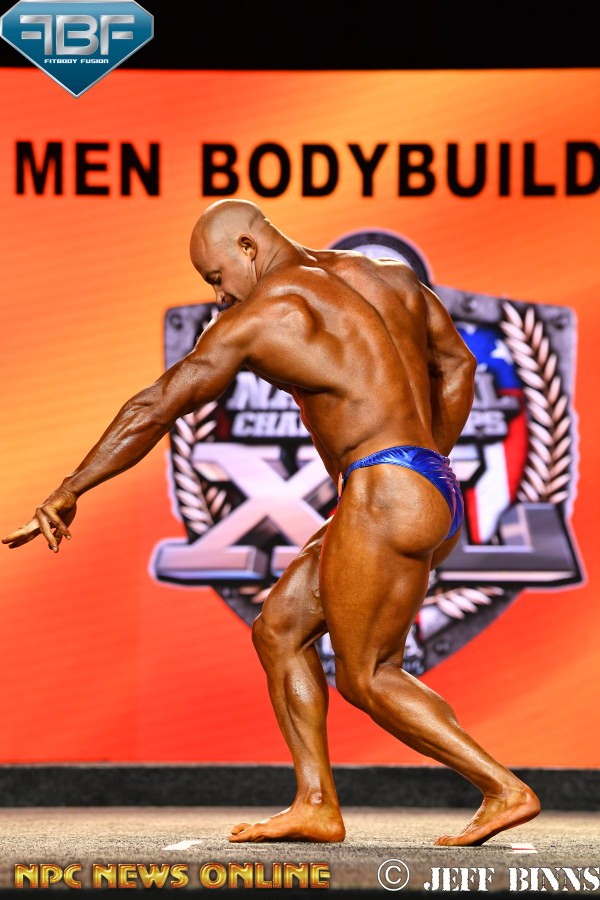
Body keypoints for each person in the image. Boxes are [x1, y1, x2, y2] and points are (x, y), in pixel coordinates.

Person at [3, 199, 541, 847]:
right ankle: (315, 804)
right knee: (281, 629)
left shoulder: (266, 315)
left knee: (369, 675)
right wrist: (424, 466)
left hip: (384, 489)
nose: (218, 295)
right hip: (423, 480)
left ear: (248, 248)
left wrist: (70, 489)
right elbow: (457, 364)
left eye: (216, 277)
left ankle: (502, 787)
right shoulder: (388, 276)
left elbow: (156, 406)